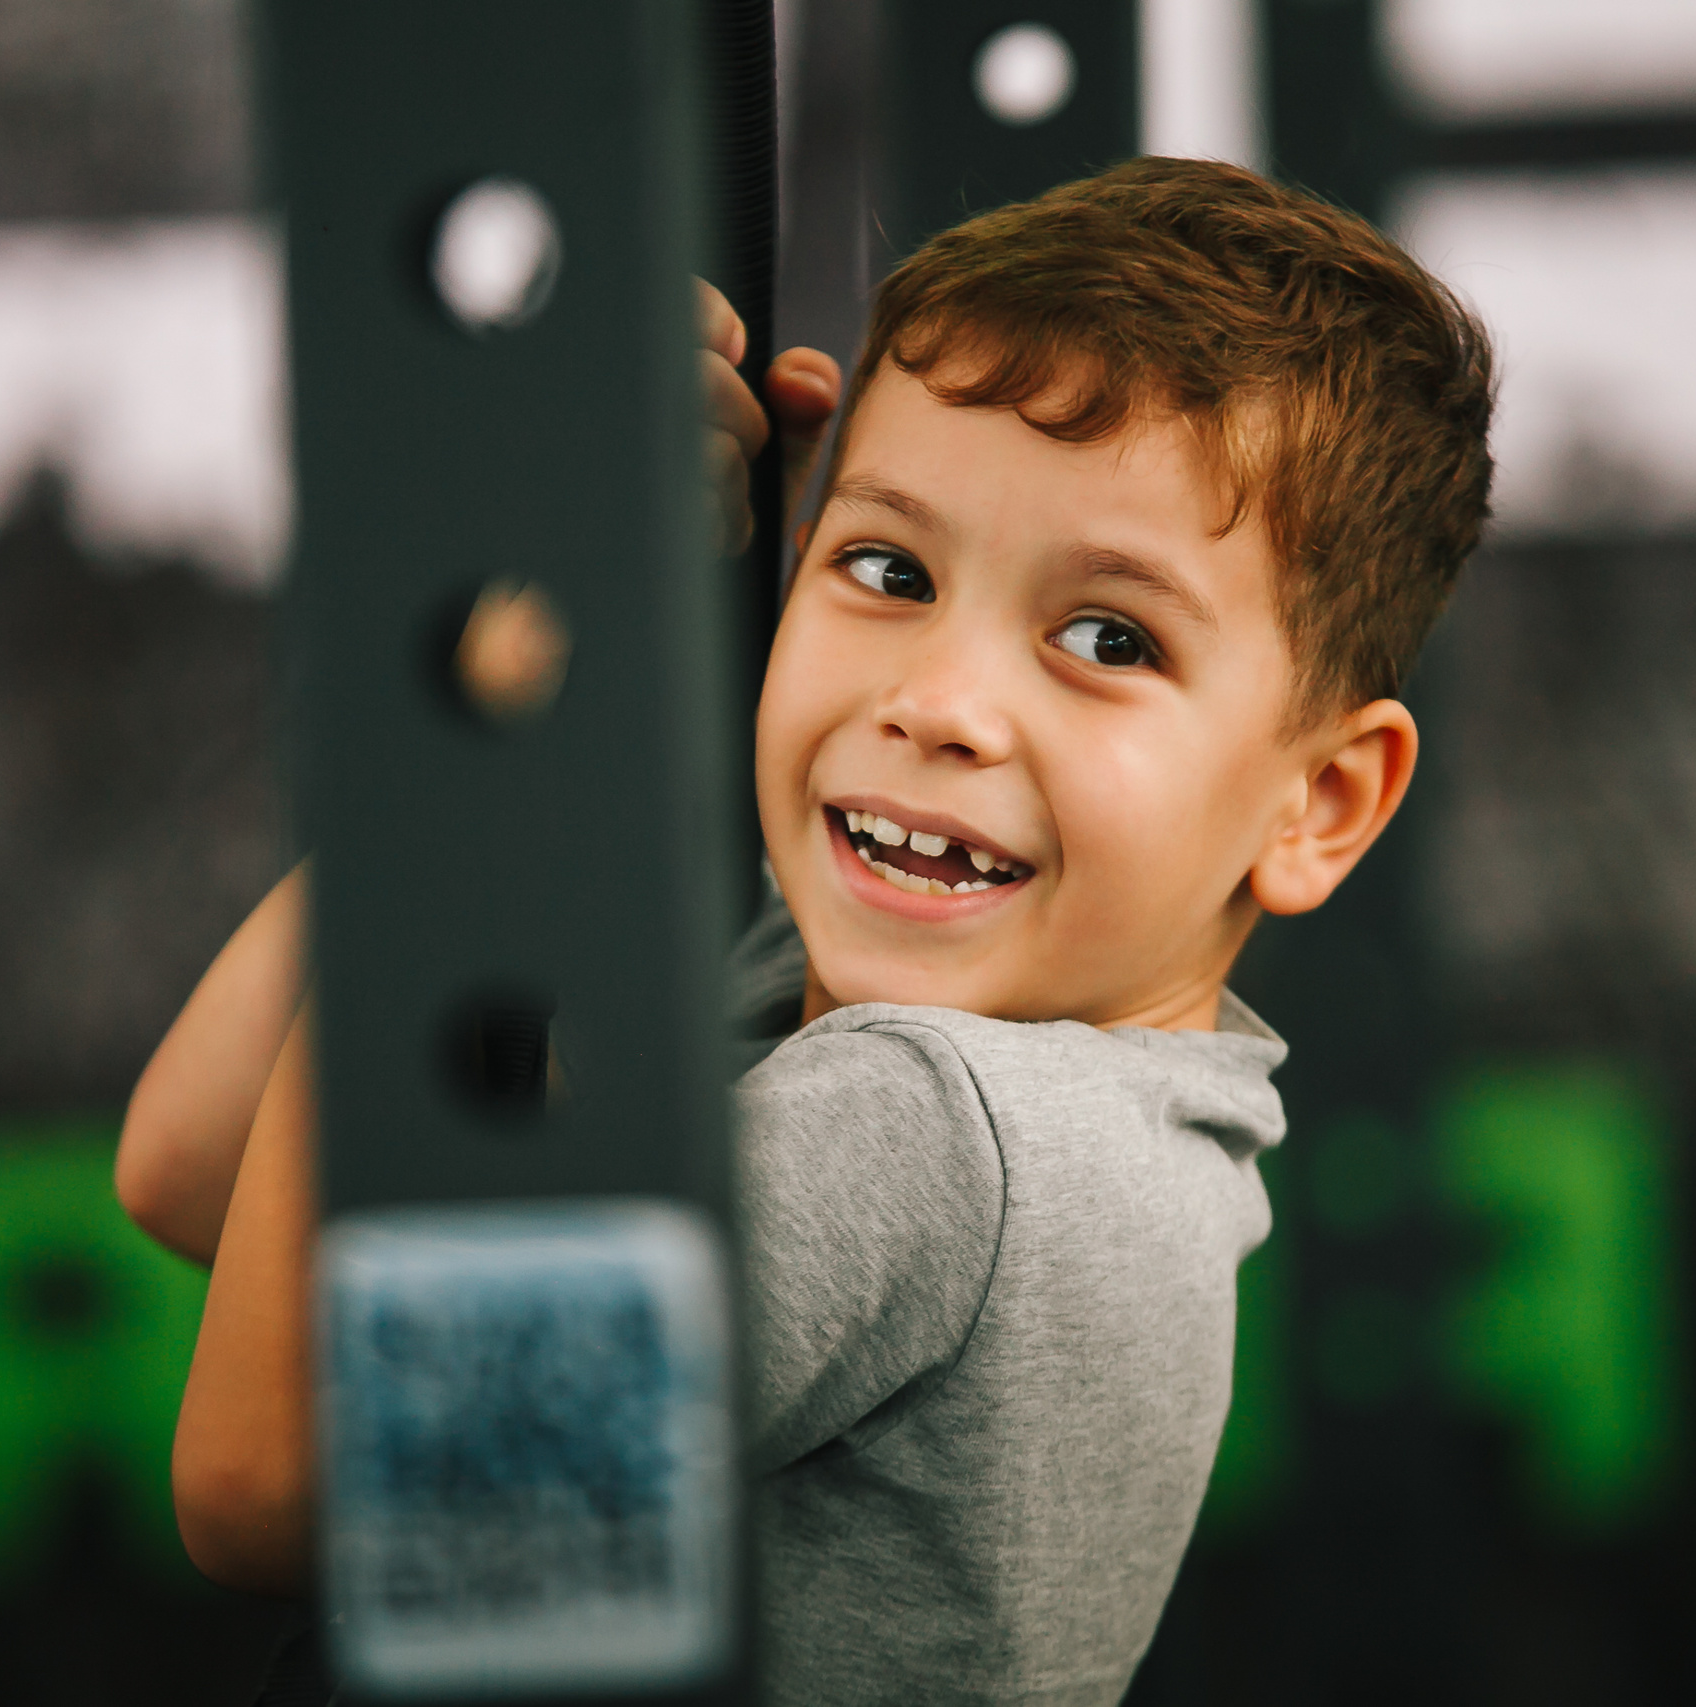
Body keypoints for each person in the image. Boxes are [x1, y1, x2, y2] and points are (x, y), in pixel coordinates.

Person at [117, 155, 1494, 1705]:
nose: (939, 702)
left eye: (1109, 637)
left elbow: (271, 1483)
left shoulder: (928, 1127)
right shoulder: (857, 999)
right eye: (888, 567)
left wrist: (481, 724)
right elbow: (193, 1166)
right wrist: (562, 629)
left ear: (1320, 801)